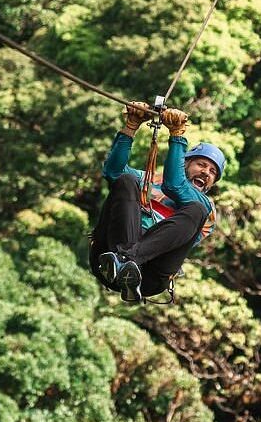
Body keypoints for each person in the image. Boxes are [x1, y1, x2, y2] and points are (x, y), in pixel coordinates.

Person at [89, 101, 224, 302]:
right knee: (126, 180)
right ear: (184, 163)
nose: (206, 172)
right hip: (108, 256)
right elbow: (113, 172)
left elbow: (175, 186)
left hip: (149, 274)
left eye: (213, 172)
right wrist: (131, 126)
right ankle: (124, 260)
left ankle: (127, 260)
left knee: (195, 210)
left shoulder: (206, 209)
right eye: (201, 164)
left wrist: (177, 135)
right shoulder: (151, 180)